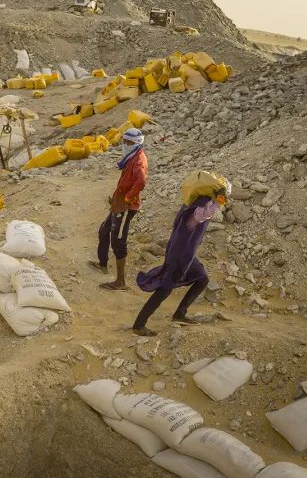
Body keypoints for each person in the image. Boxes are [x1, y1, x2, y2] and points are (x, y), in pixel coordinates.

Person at [131, 182, 230, 336]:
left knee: (202, 279)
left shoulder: (194, 204)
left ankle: (180, 314)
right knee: (164, 290)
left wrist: (217, 201)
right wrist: (219, 202)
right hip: (180, 257)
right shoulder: (197, 209)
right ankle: (139, 325)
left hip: (186, 254)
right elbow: (204, 214)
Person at [88, 128, 147, 290]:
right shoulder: (132, 156)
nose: (125, 144)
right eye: (124, 141)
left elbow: (141, 181)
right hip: (119, 203)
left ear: (137, 143)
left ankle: (121, 282)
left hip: (126, 207)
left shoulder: (139, 160)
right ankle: (103, 264)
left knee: (118, 241)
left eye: (129, 142)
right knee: (104, 231)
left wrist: (128, 197)